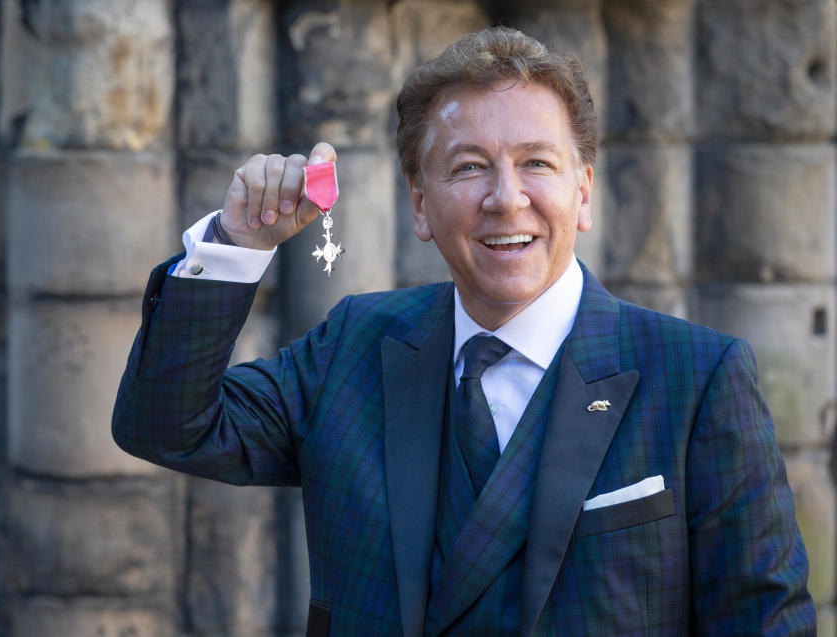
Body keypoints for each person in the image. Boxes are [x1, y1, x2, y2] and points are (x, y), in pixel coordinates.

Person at [113, 27, 814, 635]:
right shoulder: (353, 348)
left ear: (584, 190)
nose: (505, 198)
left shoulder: (699, 378)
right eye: (469, 167)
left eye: (537, 162)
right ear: (420, 205)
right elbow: (166, 425)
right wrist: (237, 243)